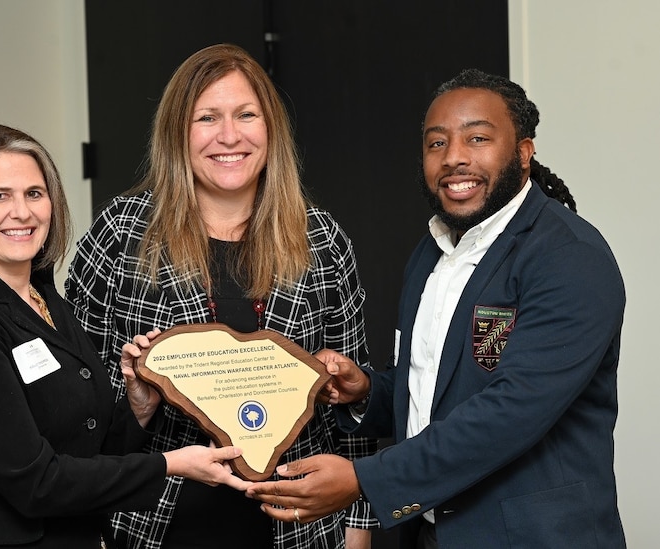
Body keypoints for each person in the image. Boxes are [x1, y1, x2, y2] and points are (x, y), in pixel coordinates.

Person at [246, 69, 627, 549]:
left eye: (478, 138)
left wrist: (364, 480)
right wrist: (366, 392)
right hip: (428, 535)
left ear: (524, 153)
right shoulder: (432, 252)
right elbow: (432, 390)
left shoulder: (570, 258)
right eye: (436, 144)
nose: (454, 158)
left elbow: (509, 412)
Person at [65, 44, 379, 548]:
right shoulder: (121, 235)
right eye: (206, 118)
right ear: (177, 133)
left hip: (300, 529)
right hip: (153, 526)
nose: (229, 136)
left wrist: (359, 529)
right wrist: (139, 400)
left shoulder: (322, 240)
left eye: (246, 115)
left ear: (270, 128)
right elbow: (78, 410)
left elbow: (354, 408)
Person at [0, 123, 250, 549]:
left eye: (34, 193)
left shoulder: (46, 298)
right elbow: (36, 482)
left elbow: (84, 450)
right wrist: (169, 465)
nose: (22, 212)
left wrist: (138, 409)